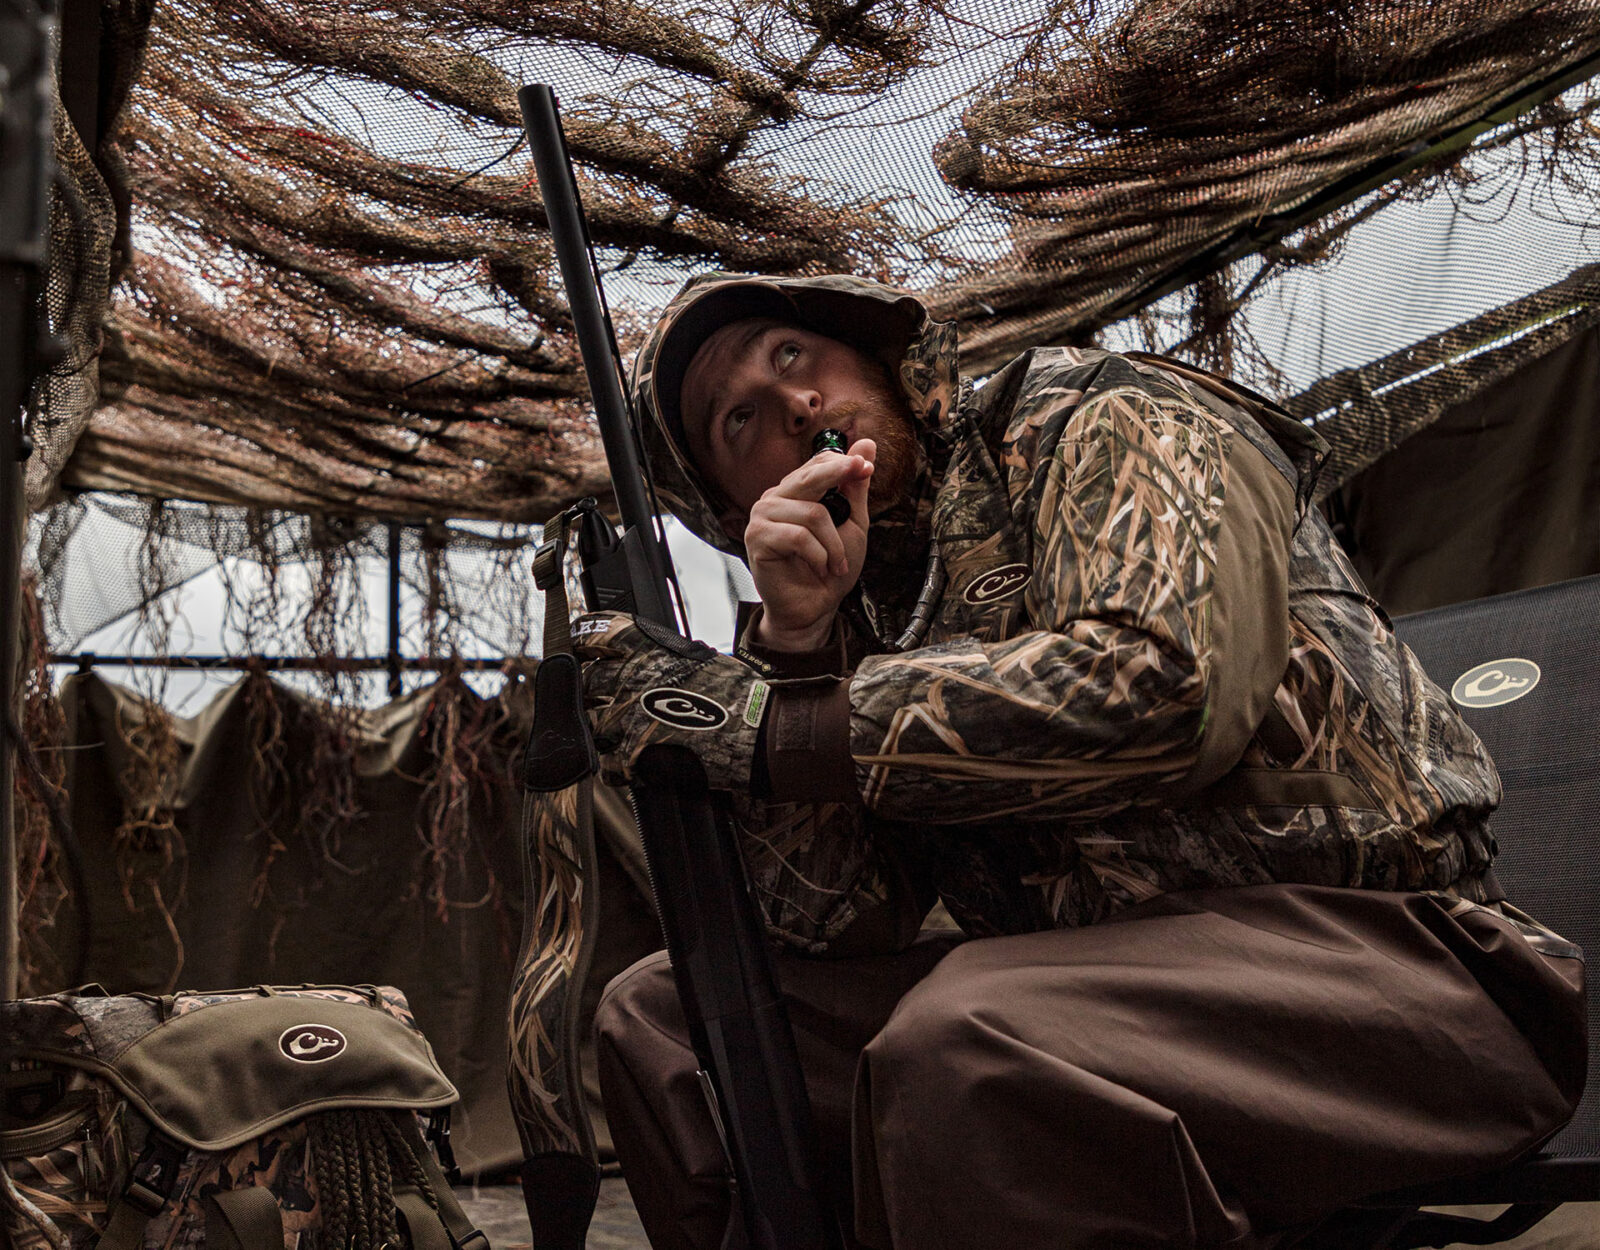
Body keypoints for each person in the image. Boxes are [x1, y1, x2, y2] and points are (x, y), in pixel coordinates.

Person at [575, 273, 1587, 1250]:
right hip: (1088, 999)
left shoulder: (1096, 414)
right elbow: (839, 919)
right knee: (671, 1021)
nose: (791, 405)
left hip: (1403, 980)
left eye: (791, 354)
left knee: (968, 1037)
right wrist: (794, 652)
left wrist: (769, 725)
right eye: (736, 421)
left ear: (871, 350)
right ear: (726, 506)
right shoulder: (850, 607)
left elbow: (1164, 691)